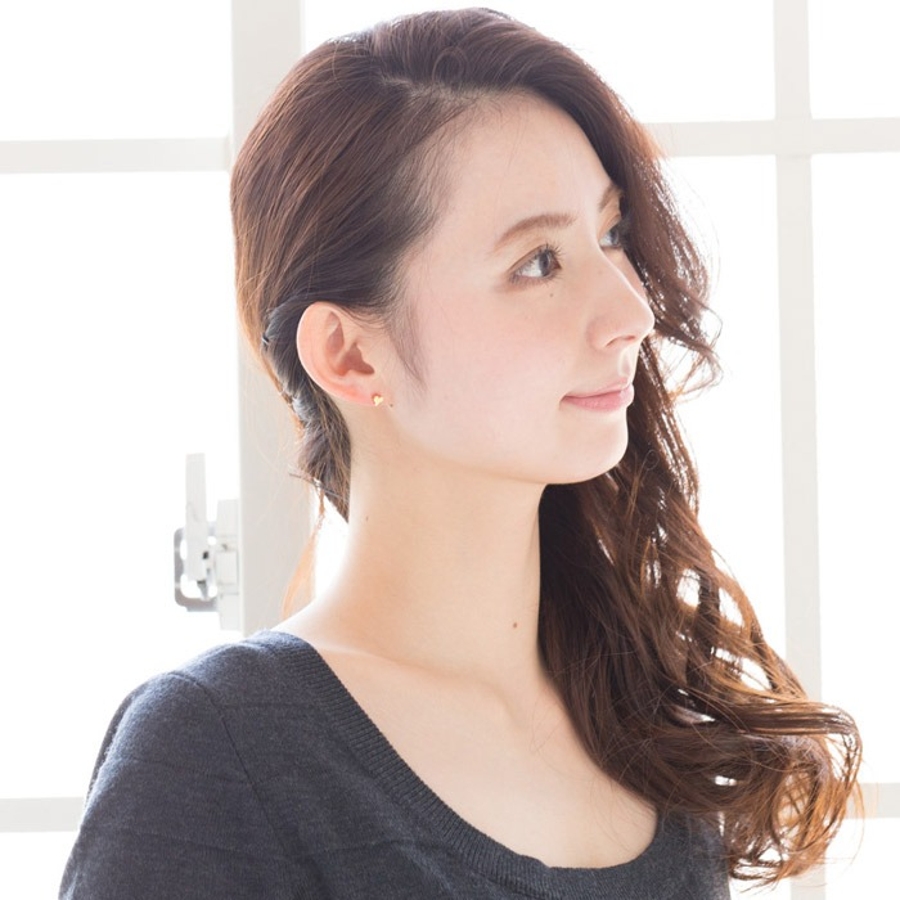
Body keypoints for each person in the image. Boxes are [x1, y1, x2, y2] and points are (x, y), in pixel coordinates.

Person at [60, 8, 861, 898]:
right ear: (349, 355)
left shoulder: (643, 728)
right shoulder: (215, 749)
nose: (632, 312)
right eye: (538, 263)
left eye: (610, 234)